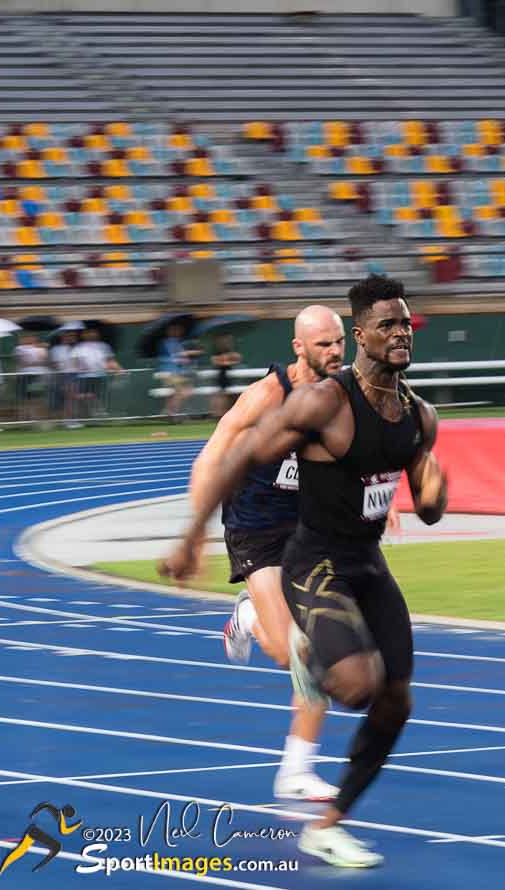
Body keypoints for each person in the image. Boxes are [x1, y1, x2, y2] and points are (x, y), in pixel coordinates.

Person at [164, 275, 447, 869]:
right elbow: (234, 451)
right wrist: (192, 536)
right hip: (302, 553)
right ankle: (260, 625)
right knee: (347, 680)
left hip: (364, 562)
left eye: (406, 324)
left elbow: (425, 503)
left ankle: (328, 821)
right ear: (363, 333)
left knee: (397, 701)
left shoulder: (419, 415)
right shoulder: (315, 401)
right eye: (387, 325)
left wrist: (429, 489)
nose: (400, 334)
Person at [164, 305, 347, 802]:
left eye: (340, 341)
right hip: (256, 530)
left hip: (308, 528)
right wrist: (194, 535)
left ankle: (296, 769)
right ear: (298, 348)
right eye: (324, 343)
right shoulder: (267, 395)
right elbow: (212, 454)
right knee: (291, 651)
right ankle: (247, 614)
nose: (335, 351)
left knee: (319, 653)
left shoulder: (341, 393)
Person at [157, 322, 198, 419]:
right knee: (183, 391)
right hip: (169, 373)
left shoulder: (180, 342)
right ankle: (169, 413)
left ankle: (168, 412)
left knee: (183, 391)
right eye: (174, 329)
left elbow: (183, 358)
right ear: (169, 331)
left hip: (179, 373)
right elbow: (174, 357)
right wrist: (184, 356)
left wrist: (185, 358)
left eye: (179, 329)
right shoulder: (166, 343)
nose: (177, 331)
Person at [210, 334, 243, 418]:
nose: (227, 342)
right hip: (221, 376)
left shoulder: (231, 351)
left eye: (229, 340)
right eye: (225, 340)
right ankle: (218, 414)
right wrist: (226, 360)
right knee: (221, 395)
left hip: (230, 377)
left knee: (229, 396)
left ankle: (225, 413)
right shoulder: (216, 352)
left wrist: (229, 358)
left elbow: (238, 358)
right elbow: (216, 361)